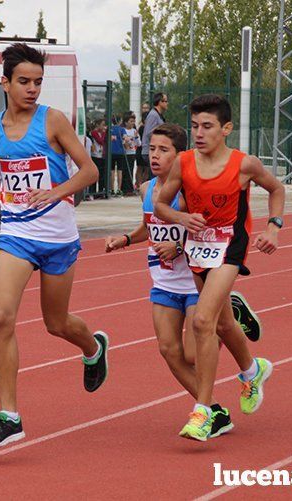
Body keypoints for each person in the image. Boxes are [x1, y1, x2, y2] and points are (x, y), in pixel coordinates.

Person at [0, 43, 107, 448]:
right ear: (5, 83)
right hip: (17, 235)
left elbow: (91, 170)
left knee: (56, 323)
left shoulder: (53, 122)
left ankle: (93, 346)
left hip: (59, 238)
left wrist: (57, 190)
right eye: (24, 81)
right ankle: (9, 415)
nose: (32, 89)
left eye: (38, 82)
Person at [105, 123, 262, 439]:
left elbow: (207, 229)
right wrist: (124, 239)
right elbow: (148, 228)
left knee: (194, 352)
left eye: (163, 150)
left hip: (194, 280)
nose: (155, 156)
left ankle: (225, 310)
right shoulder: (147, 189)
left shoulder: (190, 189)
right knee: (169, 351)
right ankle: (214, 410)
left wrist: (177, 246)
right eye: (152, 149)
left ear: (180, 157)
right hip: (163, 282)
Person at [154, 94, 285, 441]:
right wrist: (182, 217)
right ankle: (252, 370)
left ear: (226, 129)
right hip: (198, 250)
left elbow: (276, 188)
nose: (199, 133)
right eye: (195, 126)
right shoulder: (183, 163)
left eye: (207, 126)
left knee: (203, 321)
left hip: (231, 248)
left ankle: (203, 410)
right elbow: (161, 204)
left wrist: (273, 226)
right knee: (225, 323)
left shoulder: (245, 165)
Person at [140, 92, 168, 176]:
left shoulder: (157, 115)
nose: (167, 103)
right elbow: (149, 133)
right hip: (149, 150)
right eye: (166, 101)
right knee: (156, 176)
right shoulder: (153, 115)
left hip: (153, 150)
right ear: (160, 102)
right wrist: (163, 129)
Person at [110, 117, 129, 196]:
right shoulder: (122, 130)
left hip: (111, 151)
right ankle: (119, 189)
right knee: (119, 171)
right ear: (120, 121)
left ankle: (111, 189)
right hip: (120, 152)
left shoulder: (110, 129)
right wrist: (126, 146)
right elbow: (126, 140)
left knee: (112, 171)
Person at [122, 111, 141, 193]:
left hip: (132, 153)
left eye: (133, 121)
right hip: (124, 153)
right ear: (126, 122)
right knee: (124, 171)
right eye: (131, 121)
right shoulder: (123, 130)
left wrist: (136, 137)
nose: (133, 123)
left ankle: (129, 188)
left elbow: (139, 144)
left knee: (130, 170)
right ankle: (123, 188)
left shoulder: (134, 131)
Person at [90, 119, 107, 196]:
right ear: (98, 125)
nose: (104, 127)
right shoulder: (94, 133)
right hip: (95, 156)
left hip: (101, 155)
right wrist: (104, 133)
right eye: (102, 125)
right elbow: (100, 141)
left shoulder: (103, 133)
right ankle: (92, 192)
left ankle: (100, 191)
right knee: (95, 174)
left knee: (102, 175)